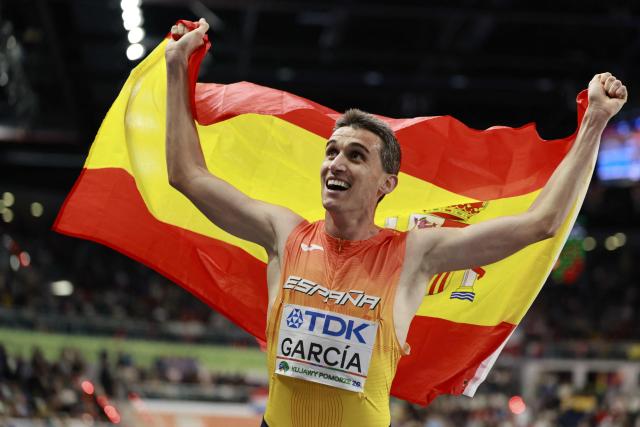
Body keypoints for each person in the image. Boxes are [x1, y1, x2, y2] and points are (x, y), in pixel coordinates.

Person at [164, 18, 627, 427]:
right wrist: (174, 70)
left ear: (387, 183)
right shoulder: (283, 233)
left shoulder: (414, 254)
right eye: (331, 152)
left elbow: (541, 224)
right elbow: (186, 175)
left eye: (355, 155)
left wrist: (594, 125)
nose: (335, 163)